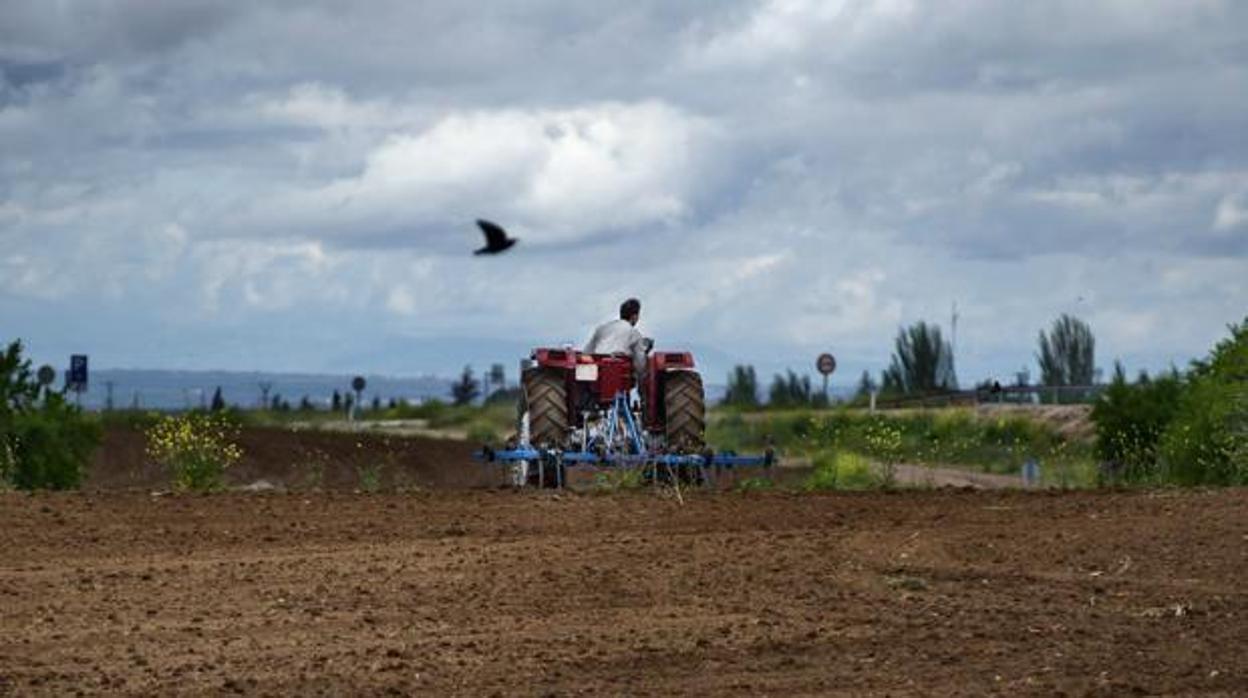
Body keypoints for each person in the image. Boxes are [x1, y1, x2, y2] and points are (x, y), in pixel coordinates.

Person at [584, 297, 649, 379]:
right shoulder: (634, 334)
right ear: (634, 316)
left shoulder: (602, 328)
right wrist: (642, 376)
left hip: (596, 372)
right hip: (619, 373)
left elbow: (586, 353)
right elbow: (640, 364)